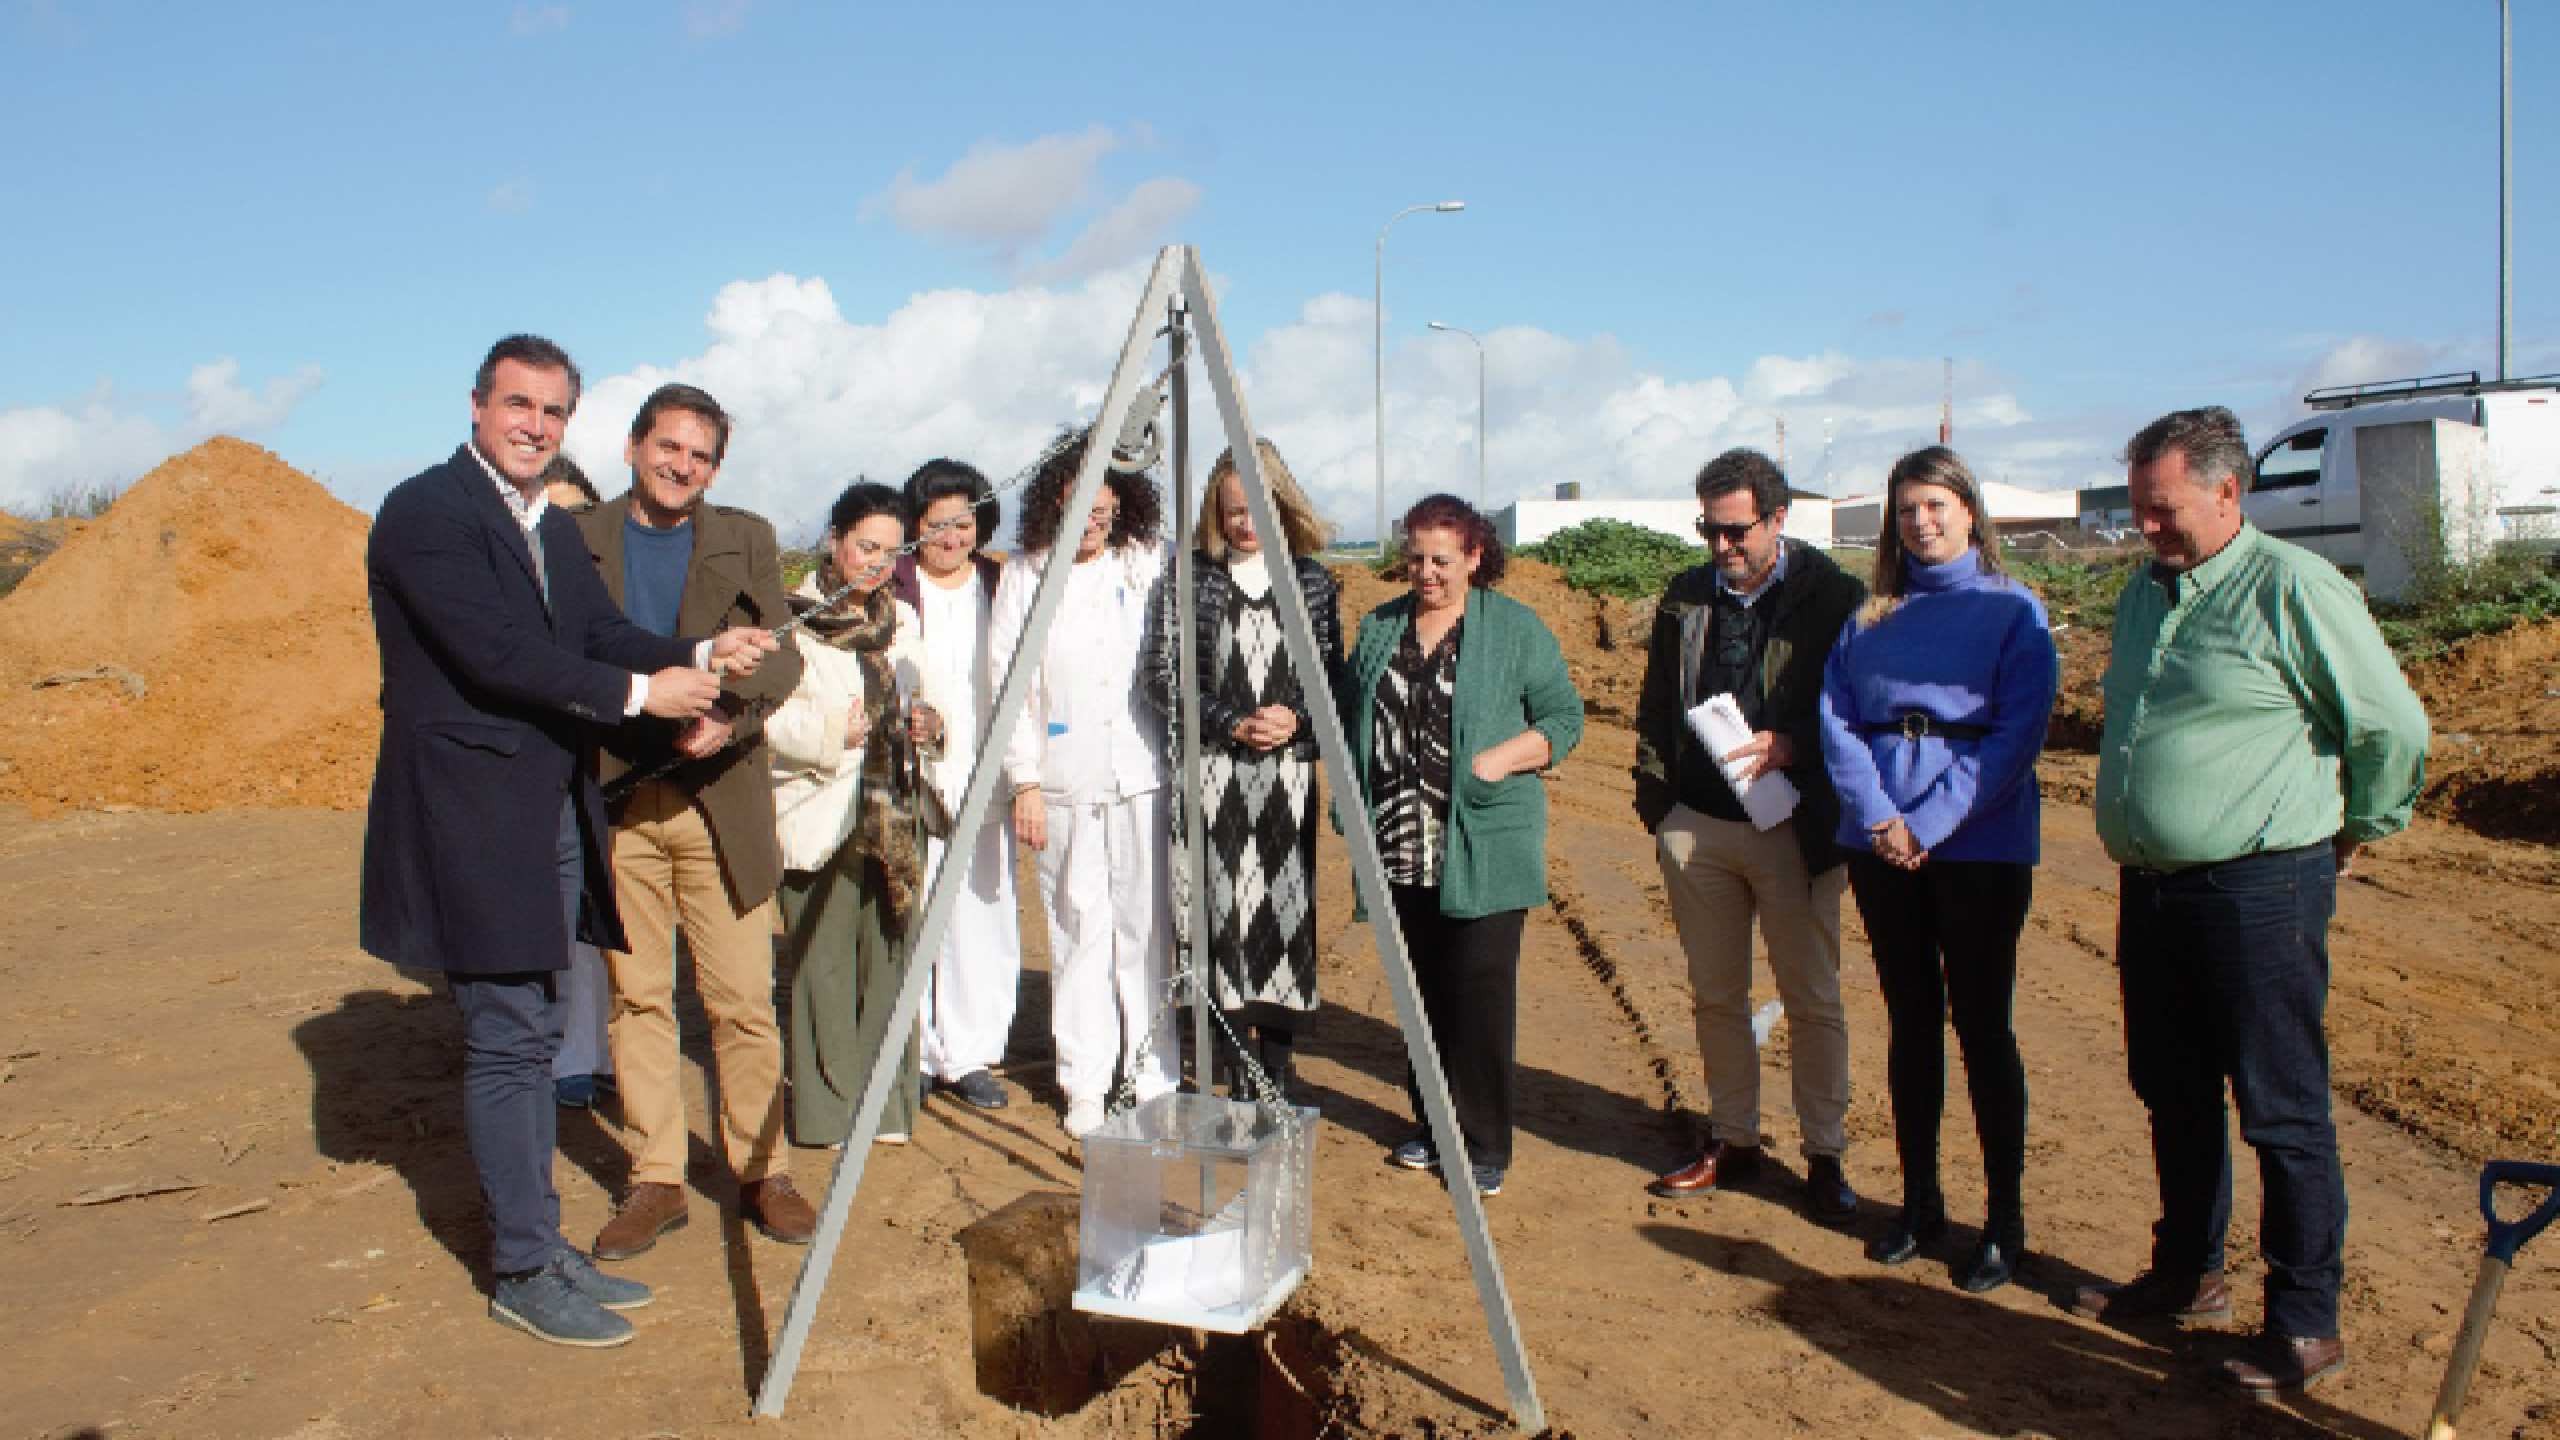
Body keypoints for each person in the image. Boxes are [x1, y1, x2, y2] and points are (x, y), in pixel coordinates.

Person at [360, 334, 774, 1347]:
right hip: (472, 818)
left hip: (544, 810)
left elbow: (595, 633)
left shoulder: (543, 526)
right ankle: (520, 1266)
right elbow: (497, 655)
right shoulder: (427, 513)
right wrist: (644, 692)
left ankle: (541, 1246)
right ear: (476, 405)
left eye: (551, 412)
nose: (533, 426)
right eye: (518, 405)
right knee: (509, 1039)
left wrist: (696, 651)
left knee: (540, 1029)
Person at [2070, 407, 2428, 1397]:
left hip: (2259, 887)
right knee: (2171, 1088)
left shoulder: (2292, 587)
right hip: (2152, 888)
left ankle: (2305, 1322)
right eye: (2139, 508)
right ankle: (2189, 1272)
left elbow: (2390, 722)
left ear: (2228, 494)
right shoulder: (2149, 592)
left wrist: (2362, 825)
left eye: (2162, 508)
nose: (2145, 526)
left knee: (2279, 1106)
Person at [572, 383, 815, 1261]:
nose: (683, 466)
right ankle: (657, 1179)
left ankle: (762, 1171)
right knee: (637, 1000)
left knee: (743, 1000)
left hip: (723, 804)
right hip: (620, 802)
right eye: (669, 447)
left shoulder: (745, 539)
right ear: (635, 447)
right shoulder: (580, 541)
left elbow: (780, 659)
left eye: (701, 455)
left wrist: (731, 719)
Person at [1816, 446, 2058, 1293]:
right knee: (1910, 1023)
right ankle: (1919, 1204)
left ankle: (2004, 1219)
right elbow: (1837, 723)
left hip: (1980, 848)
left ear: (1968, 510)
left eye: (1936, 505)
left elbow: (2016, 738)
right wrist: (1882, 819)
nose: (1921, 522)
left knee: (1983, 1028)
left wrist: (1928, 823)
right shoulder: (1869, 618)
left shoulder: (2013, 612)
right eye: (1908, 508)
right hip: (1882, 847)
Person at [1634, 447, 1867, 1219]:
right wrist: (1660, 810)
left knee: (1812, 997)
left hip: (1794, 828)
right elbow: (1656, 707)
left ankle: (1824, 1158)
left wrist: (1794, 742)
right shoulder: (1685, 596)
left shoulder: (1833, 598)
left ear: (1777, 518)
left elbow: (1857, 707)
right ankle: (1734, 1141)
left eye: (1737, 532)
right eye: (1710, 530)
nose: (1723, 548)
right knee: (1715, 995)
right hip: (1699, 828)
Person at [1346, 494, 1583, 1199]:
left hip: (1483, 842)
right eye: (1415, 558)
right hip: (1398, 842)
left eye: (1441, 561)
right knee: (1419, 994)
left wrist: (1500, 759)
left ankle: (1482, 1141)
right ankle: (1431, 1123)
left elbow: (1563, 719)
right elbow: (1347, 707)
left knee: (1477, 995)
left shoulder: (1514, 629)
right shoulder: (1382, 626)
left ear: (1475, 556)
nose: (1426, 573)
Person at [1140, 439, 1346, 1103]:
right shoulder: (1188, 577)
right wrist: (1231, 721)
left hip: (1285, 781)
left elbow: (1329, 682)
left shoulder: (1310, 580)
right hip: (1211, 776)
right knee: (1218, 918)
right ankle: (1236, 1073)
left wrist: (1294, 723)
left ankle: (1278, 1072)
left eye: (1258, 508)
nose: (1245, 523)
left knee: (1282, 920)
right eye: (1232, 511)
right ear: (1215, 511)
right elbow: (1161, 675)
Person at [991, 427, 1180, 1139]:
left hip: (1141, 775)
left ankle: (1151, 1073)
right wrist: (1025, 782)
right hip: (1063, 783)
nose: (1093, 521)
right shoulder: (1026, 573)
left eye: (1104, 508)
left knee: (1144, 931)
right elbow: (1007, 683)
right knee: (1077, 930)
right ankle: (1086, 1081)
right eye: (1080, 507)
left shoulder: (1149, 561)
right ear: (1056, 500)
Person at [768, 482, 937, 1147]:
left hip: (892, 811)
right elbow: (765, 716)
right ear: (835, 540)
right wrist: (829, 733)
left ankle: (887, 1107)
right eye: (866, 546)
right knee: (823, 964)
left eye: (891, 553)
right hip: (820, 807)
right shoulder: (789, 618)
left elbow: (928, 689)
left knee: (890, 954)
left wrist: (930, 721)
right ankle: (828, 1112)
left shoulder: (903, 620)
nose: (877, 563)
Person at [888, 459, 1019, 1113]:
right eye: (936, 523)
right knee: (910, 911)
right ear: (915, 527)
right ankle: (908, 1047)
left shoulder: (1002, 582)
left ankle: (965, 1054)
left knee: (979, 913)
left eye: (962, 522)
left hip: (986, 767)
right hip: (913, 774)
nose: (950, 536)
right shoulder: (895, 585)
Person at [538, 454, 613, 1109]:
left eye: (579, 511)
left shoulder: (608, 581)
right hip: (553, 767)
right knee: (567, 921)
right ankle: (572, 1057)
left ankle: (610, 1054)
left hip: (622, 766)